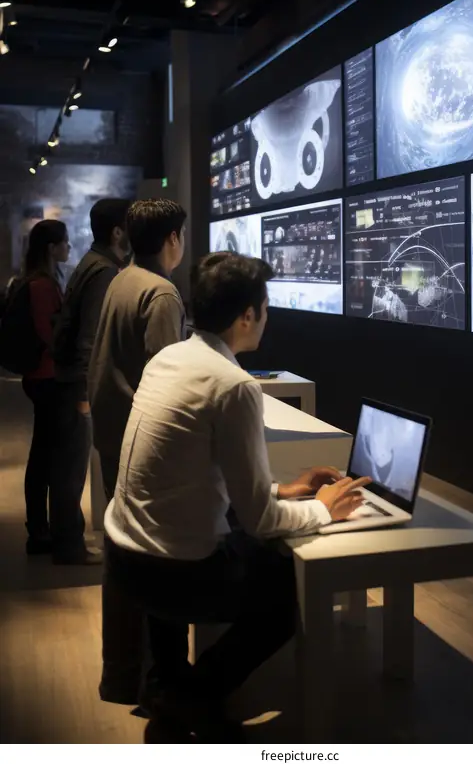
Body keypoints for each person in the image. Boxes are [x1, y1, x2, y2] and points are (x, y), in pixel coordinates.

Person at [104, 252, 369, 739]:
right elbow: (262, 520)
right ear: (248, 315)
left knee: (242, 547)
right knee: (290, 593)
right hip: (173, 573)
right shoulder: (235, 386)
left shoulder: (170, 357)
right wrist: (321, 508)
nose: (267, 317)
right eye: (266, 307)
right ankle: (191, 694)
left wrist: (281, 488)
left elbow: (185, 473)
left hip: (124, 559)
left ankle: (167, 679)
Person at [88, 198, 188, 707]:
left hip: (112, 435)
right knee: (152, 560)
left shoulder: (122, 278)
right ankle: (157, 681)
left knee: (120, 554)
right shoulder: (163, 294)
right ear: (172, 238)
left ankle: (121, 675)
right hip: (141, 441)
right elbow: (166, 381)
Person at [52, 198, 132, 565]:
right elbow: (89, 339)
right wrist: (85, 395)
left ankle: (65, 541)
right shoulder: (102, 271)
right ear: (118, 231)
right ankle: (68, 547)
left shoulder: (91, 263)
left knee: (68, 466)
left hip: (67, 381)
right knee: (71, 469)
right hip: (74, 386)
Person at [18, 220, 75, 557]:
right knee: (45, 457)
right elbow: (48, 333)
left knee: (44, 454)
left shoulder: (44, 280)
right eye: (64, 242)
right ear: (51, 248)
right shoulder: (41, 285)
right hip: (46, 377)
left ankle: (41, 528)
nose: (69, 247)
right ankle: (39, 530)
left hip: (44, 376)